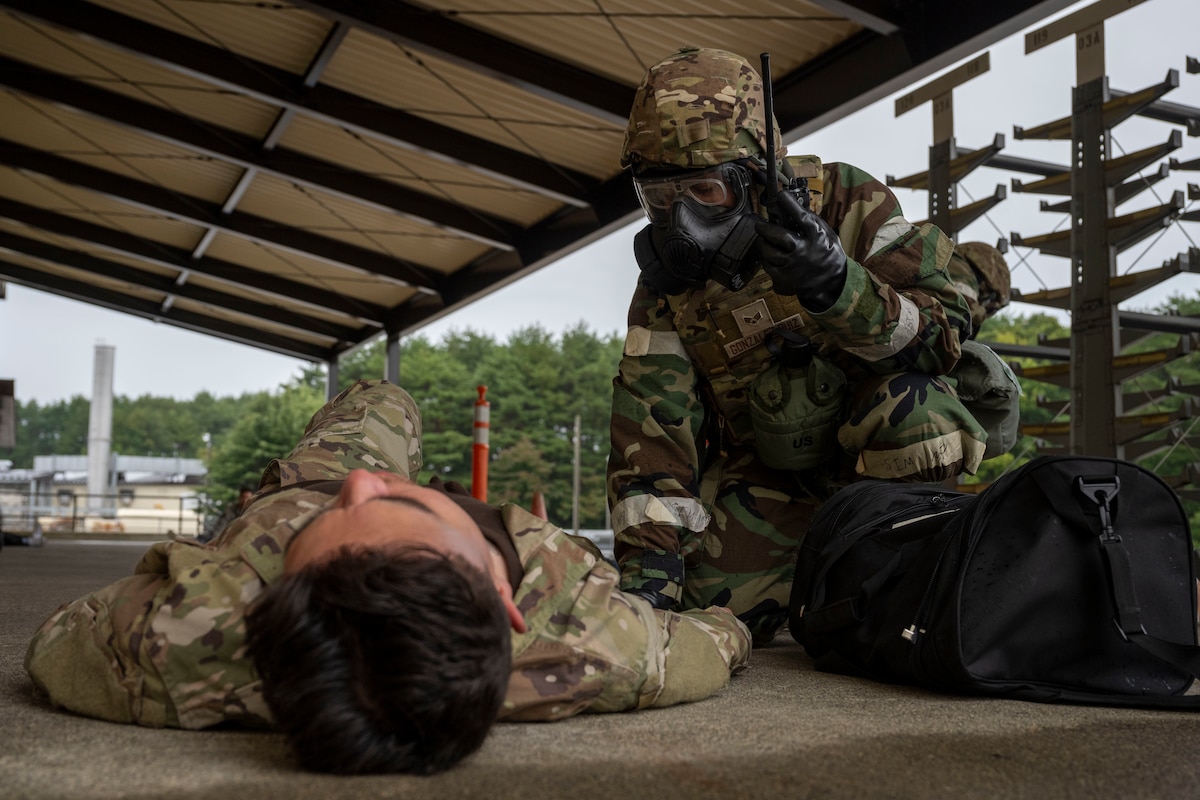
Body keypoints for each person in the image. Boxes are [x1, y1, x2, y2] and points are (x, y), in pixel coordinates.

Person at [25, 380, 750, 775]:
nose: (367, 485)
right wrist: (740, 626)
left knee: (379, 398)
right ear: (507, 603)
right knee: (389, 396)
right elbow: (714, 641)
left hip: (303, 492)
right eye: (400, 504)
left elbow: (55, 642)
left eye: (382, 500)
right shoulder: (604, 640)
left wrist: (294, 668)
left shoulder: (190, 633)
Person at [608, 47, 993, 643]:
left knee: (919, 411)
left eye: (705, 191)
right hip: (767, 475)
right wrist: (649, 586)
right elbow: (651, 444)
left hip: (876, 454)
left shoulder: (846, 202)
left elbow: (941, 339)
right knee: (708, 607)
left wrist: (840, 287)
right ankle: (819, 583)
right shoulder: (667, 288)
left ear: (759, 174)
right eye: (661, 198)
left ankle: (915, 576)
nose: (681, 222)